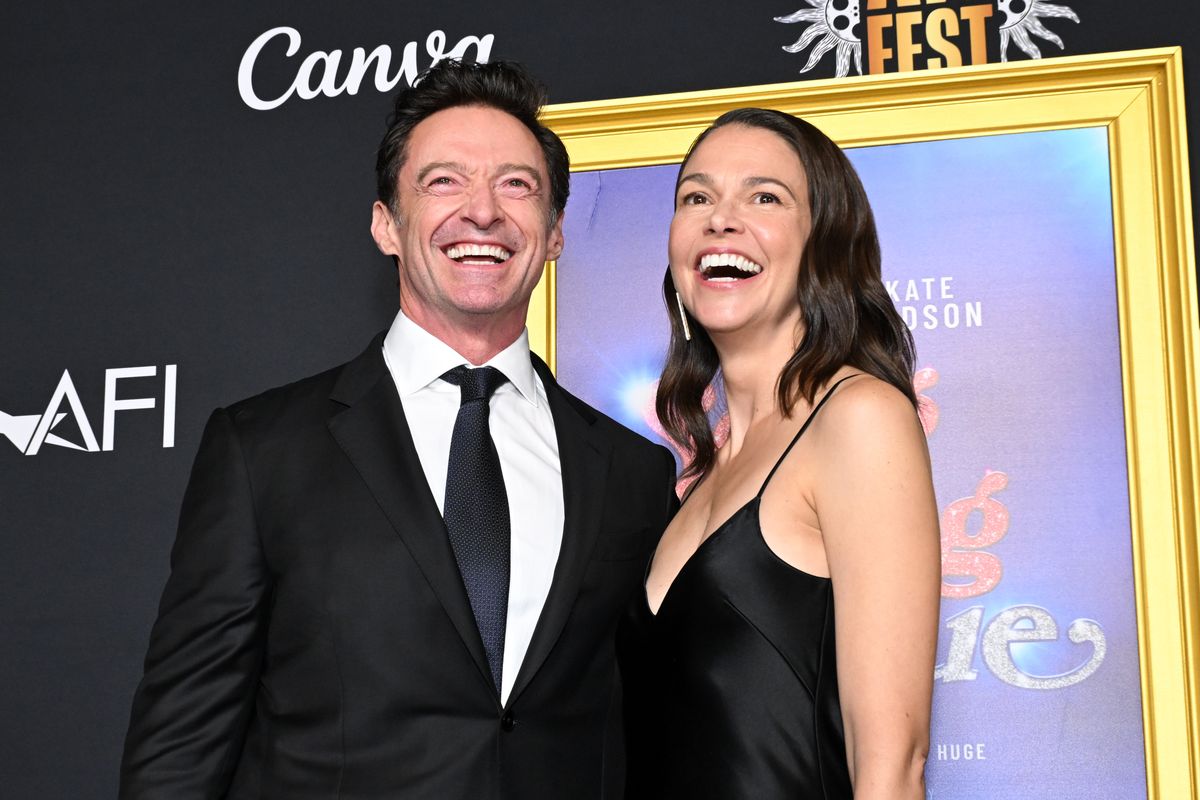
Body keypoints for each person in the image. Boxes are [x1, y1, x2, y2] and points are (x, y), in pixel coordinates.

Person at [119, 60, 678, 800]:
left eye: (517, 185)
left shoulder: (633, 474)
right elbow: (181, 748)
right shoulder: (262, 452)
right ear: (386, 223)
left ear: (553, 235)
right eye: (443, 181)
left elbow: (658, 737)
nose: (483, 212)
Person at [619, 108, 940, 799]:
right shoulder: (696, 477)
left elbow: (894, 762)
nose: (720, 219)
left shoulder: (857, 420)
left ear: (824, 241)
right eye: (696, 198)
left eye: (764, 197)